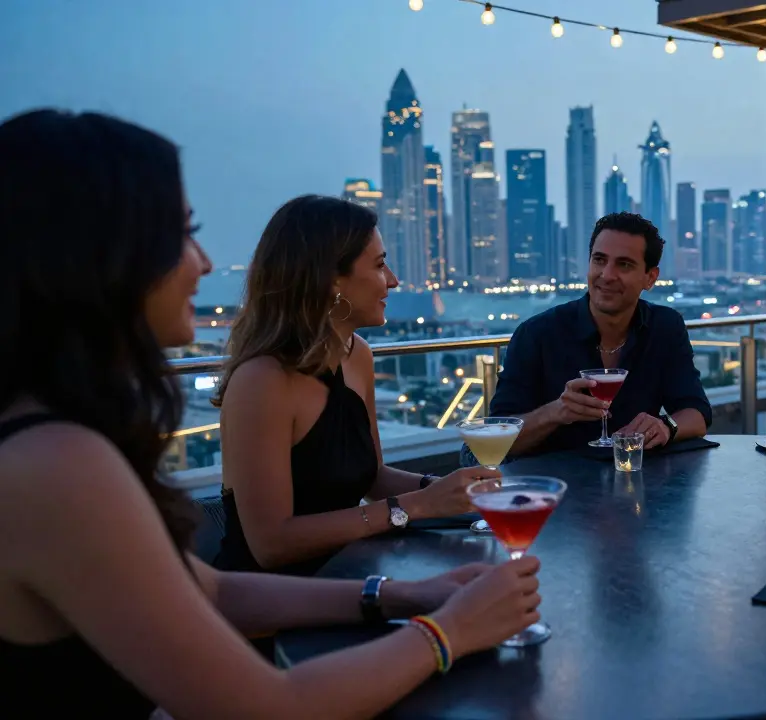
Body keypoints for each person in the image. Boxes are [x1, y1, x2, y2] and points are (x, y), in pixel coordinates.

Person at [0, 110, 541, 718]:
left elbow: (213, 590)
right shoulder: (55, 466)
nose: (205, 263)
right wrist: (449, 632)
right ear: (97, 257)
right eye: (182, 233)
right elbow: (271, 705)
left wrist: (405, 595)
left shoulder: (59, 438)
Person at [213, 196, 497, 575]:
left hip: (351, 573)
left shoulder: (356, 354)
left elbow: (373, 477)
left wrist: (452, 489)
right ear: (331, 279)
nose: (393, 280)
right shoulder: (262, 381)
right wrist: (418, 505)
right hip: (273, 595)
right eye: (379, 265)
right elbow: (271, 545)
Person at [489, 212, 712, 456]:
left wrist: (666, 426)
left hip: (638, 476)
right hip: (554, 478)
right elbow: (496, 440)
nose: (606, 275)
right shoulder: (536, 334)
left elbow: (697, 412)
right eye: (599, 260)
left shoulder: (665, 326)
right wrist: (556, 412)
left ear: (650, 278)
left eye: (624, 264)